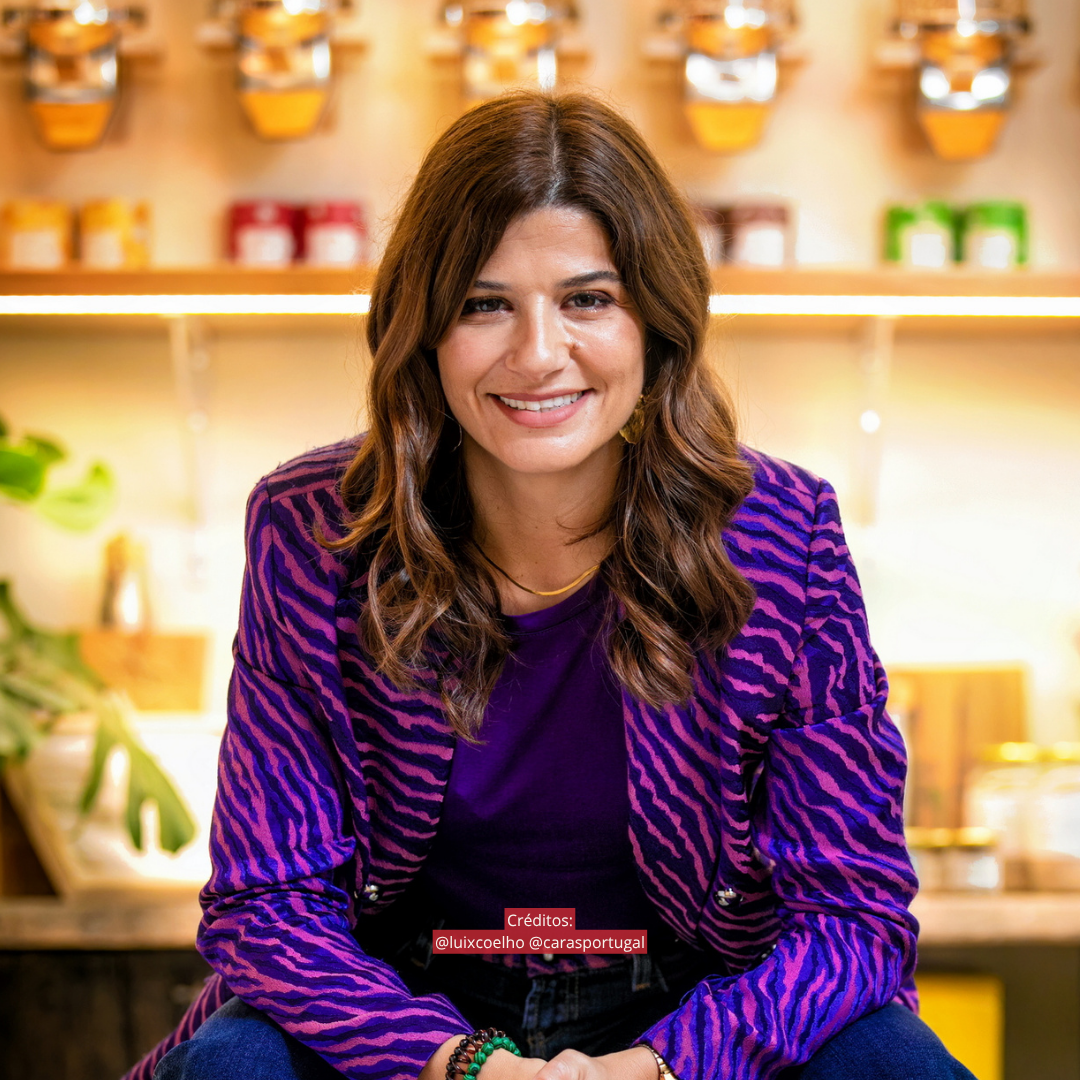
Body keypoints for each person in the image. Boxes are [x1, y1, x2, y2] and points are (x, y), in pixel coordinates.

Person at [123, 91, 973, 1080]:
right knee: (232, 1065)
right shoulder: (312, 530)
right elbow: (266, 905)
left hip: (696, 999)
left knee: (895, 1061)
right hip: (402, 1000)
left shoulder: (783, 535)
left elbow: (854, 914)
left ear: (655, 322)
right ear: (423, 328)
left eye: (588, 300)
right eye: (484, 305)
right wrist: (464, 1066)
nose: (537, 355)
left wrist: (656, 1067)